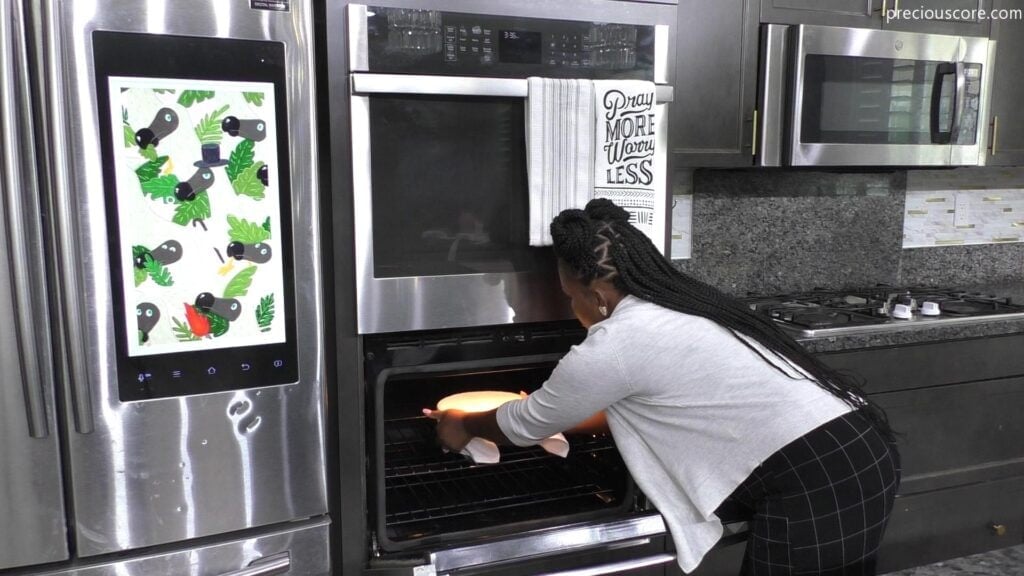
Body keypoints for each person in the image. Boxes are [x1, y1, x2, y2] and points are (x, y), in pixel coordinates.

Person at [424, 199, 901, 575]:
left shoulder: (617, 343)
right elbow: (646, 403)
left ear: (597, 296)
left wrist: (462, 424)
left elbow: (524, 425)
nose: (572, 308)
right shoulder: (678, 304)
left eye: (570, 297)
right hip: (852, 447)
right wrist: (560, 409)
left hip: (815, 478)